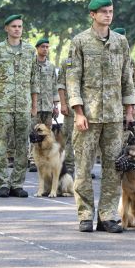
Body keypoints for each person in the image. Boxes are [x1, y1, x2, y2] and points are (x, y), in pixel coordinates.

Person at [67, 0, 135, 233]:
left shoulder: (120, 42)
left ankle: (107, 215)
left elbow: (127, 76)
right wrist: (78, 111)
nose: (108, 15)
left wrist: (129, 108)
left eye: (111, 11)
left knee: (113, 167)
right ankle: (85, 214)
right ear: (93, 15)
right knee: (84, 167)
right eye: (104, 11)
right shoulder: (80, 42)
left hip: (115, 116)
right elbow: (73, 77)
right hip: (89, 115)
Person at [0, 15, 38, 198]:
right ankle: (3, 183)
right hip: (3, 105)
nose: (17, 29)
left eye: (20, 26)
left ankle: (17, 183)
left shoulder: (31, 51)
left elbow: (34, 81)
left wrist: (34, 105)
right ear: (6, 28)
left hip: (23, 105)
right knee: (0, 144)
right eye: (14, 26)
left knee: (23, 145)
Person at [29, 38, 59, 172]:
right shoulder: (31, 64)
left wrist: (55, 105)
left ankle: (47, 157)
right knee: (33, 132)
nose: (45, 49)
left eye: (47, 47)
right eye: (42, 47)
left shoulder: (51, 66)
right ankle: (31, 159)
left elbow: (54, 86)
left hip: (47, 105)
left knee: (47, 133)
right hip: (33, 105)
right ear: (37, 48)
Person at [56, 48, 76, 176]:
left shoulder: (91, 60)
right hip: (71, 106)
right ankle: (69, 167)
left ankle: (86, 169)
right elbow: (61, 84)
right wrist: (63, 104)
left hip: (90, 108)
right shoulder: (67, 62)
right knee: (69, 138)